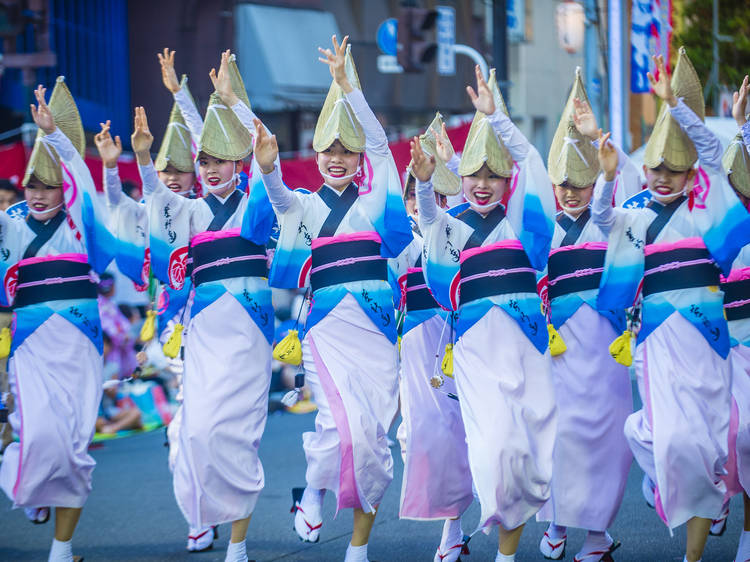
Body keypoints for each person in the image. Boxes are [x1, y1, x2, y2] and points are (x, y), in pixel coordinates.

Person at [252, 35, 412, 562]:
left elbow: (385, 148)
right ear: (317, 155)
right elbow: (275, 197)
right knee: (336, 426)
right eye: (328, 150)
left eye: (347, 150)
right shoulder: (301, 205)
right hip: (324, 329)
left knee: (370, 438)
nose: (337, 158)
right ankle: (317, 494)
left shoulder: (374, 200)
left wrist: (348, 88)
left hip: (377, 331)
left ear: (359, 157)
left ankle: (357, 542)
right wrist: (270, 167)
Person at [593, 49, 750, 562]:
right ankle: (676, 483)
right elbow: (600, 219)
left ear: (690, 176)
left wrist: (678, 108)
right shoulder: (635, 214)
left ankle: (694, 553)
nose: (662, 175)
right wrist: (607, 174)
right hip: (658, 341)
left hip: (707, 341)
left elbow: (712, 150)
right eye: (654, 167)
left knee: (707, 447)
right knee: (656, 437)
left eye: (674, 168)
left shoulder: (708, 209)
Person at [411, 64, 557, 562]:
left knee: (521, 455)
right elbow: (430, 224)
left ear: (507, 180)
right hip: (474, 352)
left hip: (526, 352)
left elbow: (533, 159)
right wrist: (428, 185)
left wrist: (497, 120)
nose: (483, 183)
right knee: (493, 451)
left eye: (494, 175)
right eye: (475, 174)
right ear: (463, 177)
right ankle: (486, 538)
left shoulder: (521, 223)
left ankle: (507, 554)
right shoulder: (451, 226)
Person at [135, 50, 275, 562]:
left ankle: (236, 544)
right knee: (197, 433)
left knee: (238, 437)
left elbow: (254, 143)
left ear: (237, 162)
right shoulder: (190, 212)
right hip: (205, 336)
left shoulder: (259, 201)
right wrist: (149, 152)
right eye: (205, 160)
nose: (211, 168)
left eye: (221, 159)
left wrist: (229, 102)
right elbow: (156, 195)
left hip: (250, 333)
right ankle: (203, 515)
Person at [0, 79, 115, 562]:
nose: (41, 192)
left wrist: (55, 137)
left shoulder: (78, 219)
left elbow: (81, 180)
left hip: (81, 340)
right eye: (33, 184)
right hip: (30, 341)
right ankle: (26, 475)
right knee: (42, 438)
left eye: (49, 184)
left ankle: (62, 548)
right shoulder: (9, 223)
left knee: (75, 444)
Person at [535, 69, 635, 562]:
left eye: (581, 182)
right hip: (559, 349)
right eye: (563, 184)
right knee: (559, 434)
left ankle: (597, 534)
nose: (570, 192)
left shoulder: (613, 221)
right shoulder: (542, 232)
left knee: (607, 440)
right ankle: (556, 518)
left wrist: (599, 139)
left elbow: (631, 184)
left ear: (596, 181)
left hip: (607, 346)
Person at [394, 115, 473, 562]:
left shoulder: (459, 230)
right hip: (416, 343)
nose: (427, 202)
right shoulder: (398, 238)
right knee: (417, 436)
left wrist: (453, 161)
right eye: (421, 194)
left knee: (458, 432)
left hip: (462, 338)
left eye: (443, 194)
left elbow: (464, 207)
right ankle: (454, 520)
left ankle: (454, 527)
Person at [715, 73, 750, 562]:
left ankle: (746, 530)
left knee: (748, 436)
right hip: (724, 337)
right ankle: (716, 493)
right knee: (729, 432)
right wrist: (740, 127)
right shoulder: (725, 219)